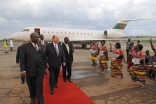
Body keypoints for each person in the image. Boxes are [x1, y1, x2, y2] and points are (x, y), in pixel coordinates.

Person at [20, 32, 47, 104]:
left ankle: (40, 100)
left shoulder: (41, 46)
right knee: (31, 86)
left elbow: (43, 57)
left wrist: (45, 66)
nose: (37, 38)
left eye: (38, 37)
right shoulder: (25, 47)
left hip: (40, 70)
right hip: (30, 70)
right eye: (36, 37)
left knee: (39, 85)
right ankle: (33, 98)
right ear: (31, 38)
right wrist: (23, 71)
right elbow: (22, 59)